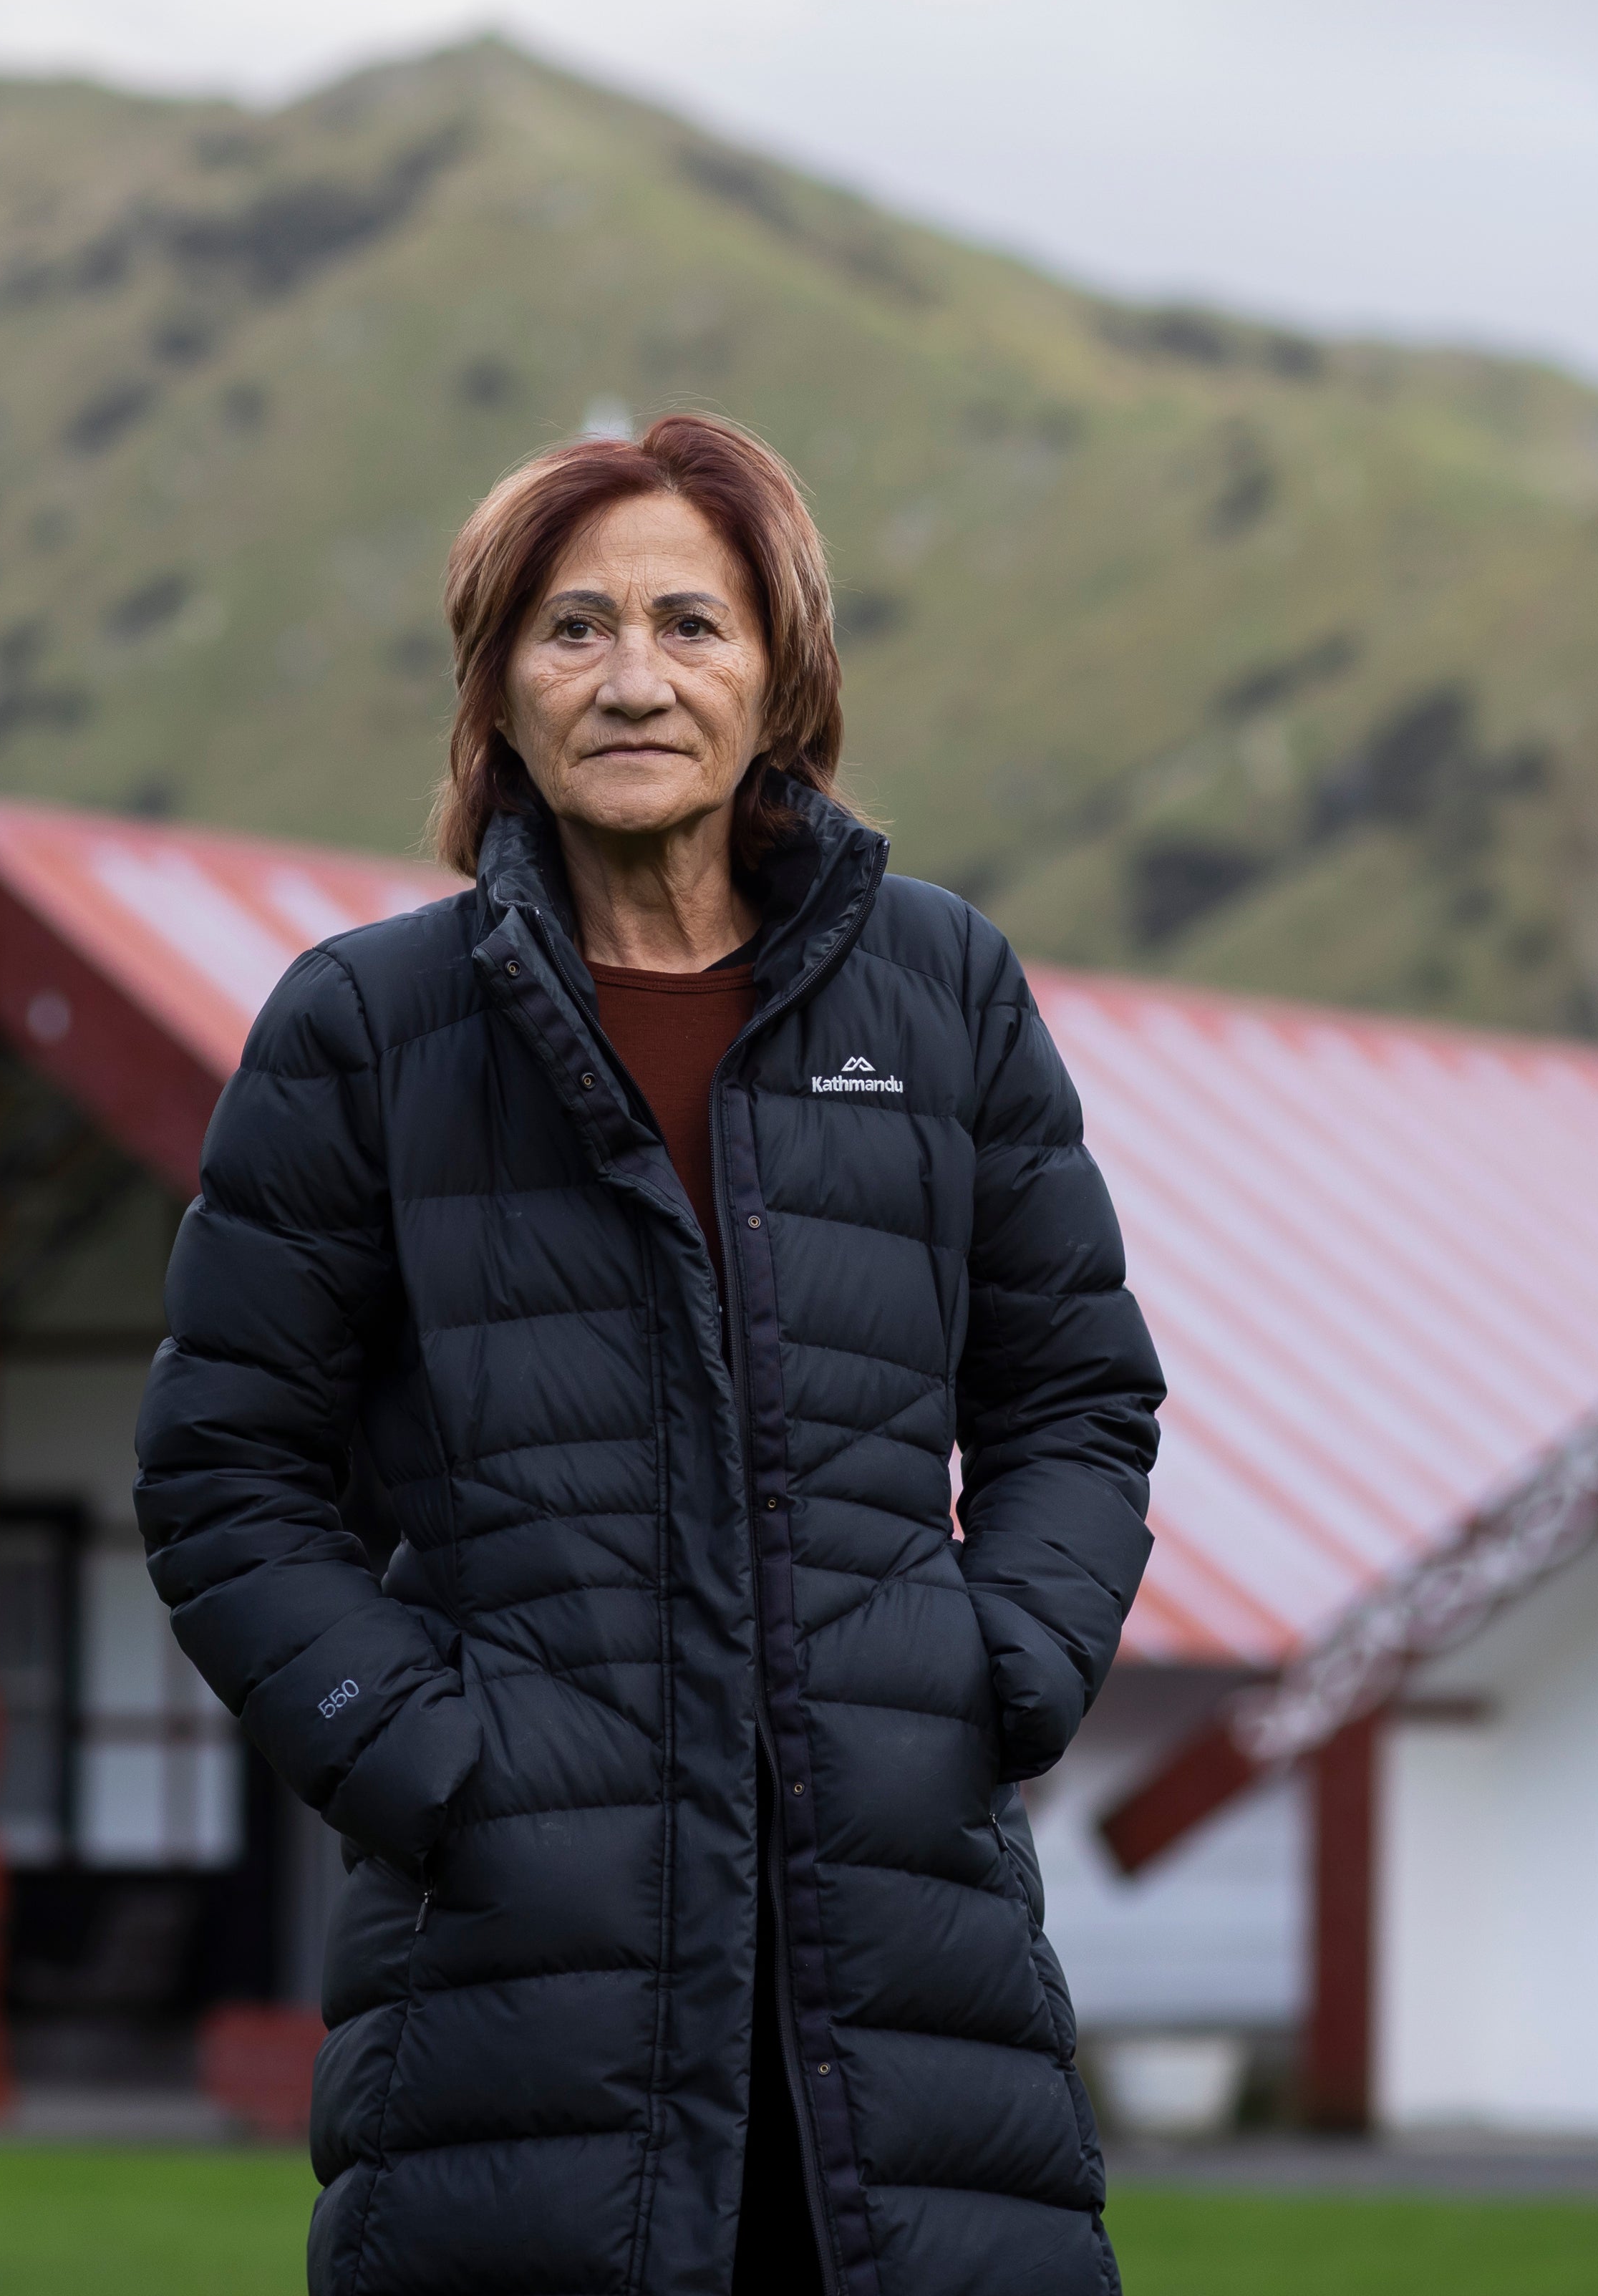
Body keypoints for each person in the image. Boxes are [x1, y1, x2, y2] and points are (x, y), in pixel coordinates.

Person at [134, 412, 1163, 2296]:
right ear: (496, 693)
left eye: (692, 625)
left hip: (909, 1963)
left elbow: (1076, 1402)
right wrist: (436, 1765)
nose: (633, 679)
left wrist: (995, 1671)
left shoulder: (947, 996)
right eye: (573, 628)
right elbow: (223, 1478)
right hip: (516, 1993)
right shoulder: (364, 1031)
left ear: (780, 675)